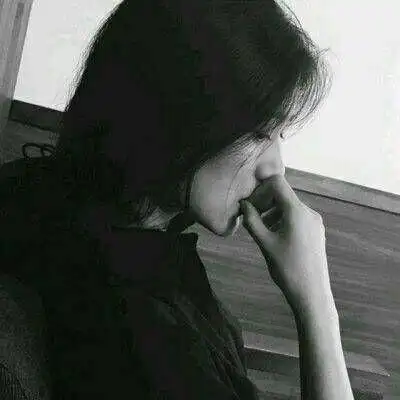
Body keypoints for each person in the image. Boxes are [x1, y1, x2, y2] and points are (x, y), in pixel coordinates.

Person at [0, 0, 355, 398]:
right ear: (180, 117)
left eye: (279, 135)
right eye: (259, 134)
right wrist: (316, 303)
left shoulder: (47, 196)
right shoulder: (148, 336)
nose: (275, 168)